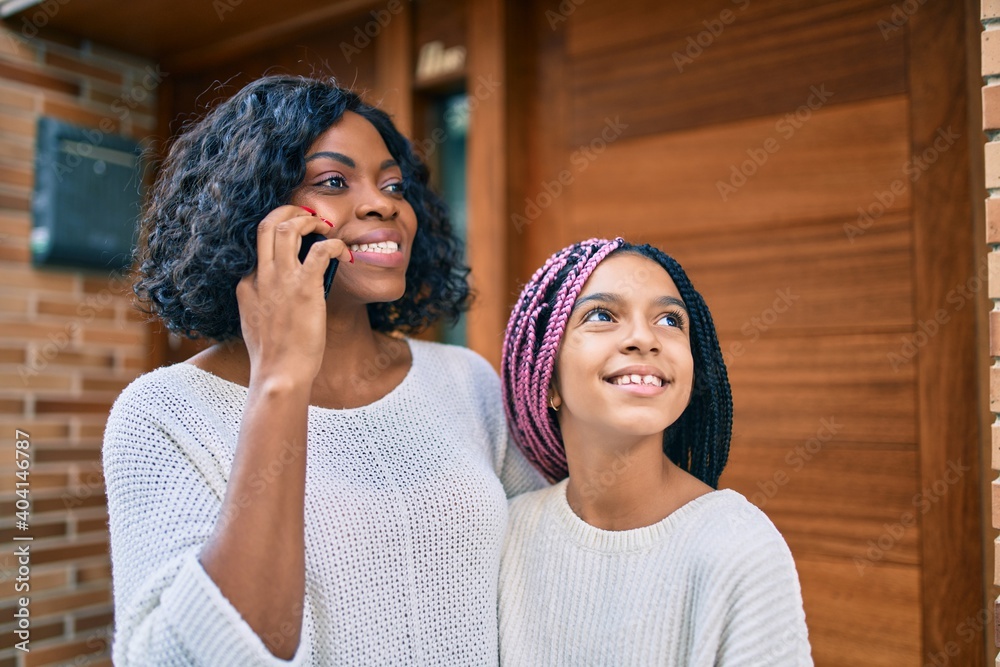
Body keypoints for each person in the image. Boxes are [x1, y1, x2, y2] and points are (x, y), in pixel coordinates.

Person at [102, 75, 543, 666]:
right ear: (251, 210)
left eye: (394, 184)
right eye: (334, 182)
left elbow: (548, 570)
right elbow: (184, 656)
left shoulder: (466, 382)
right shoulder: (162, 413)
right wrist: (280, 378)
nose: (383, 203)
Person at [498, 238, 812, 666]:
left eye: (669, 320)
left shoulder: (739, 547)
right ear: (546, 377)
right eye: (603, 315)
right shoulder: (508, 534)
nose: (644, 339)